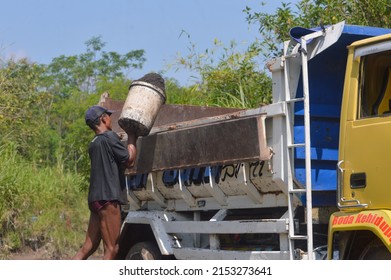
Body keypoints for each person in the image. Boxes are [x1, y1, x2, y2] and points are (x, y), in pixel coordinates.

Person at [72, 105, 137, 260]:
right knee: (112, 249)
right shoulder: (109, 137)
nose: (110, 118)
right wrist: (132, 135)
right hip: (108, 199)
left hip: (95, 199)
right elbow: (129, 160)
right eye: (108, 116)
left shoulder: (94, 143)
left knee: (88, 247)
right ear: (102, 119)